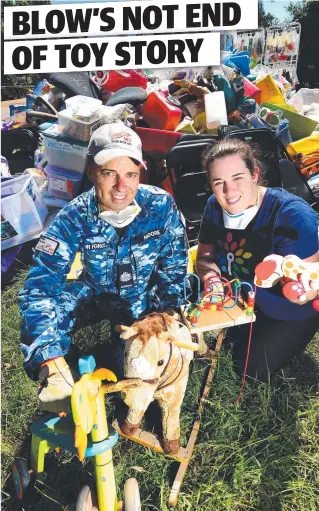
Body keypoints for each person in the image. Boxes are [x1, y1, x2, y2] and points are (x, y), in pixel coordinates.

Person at [19, 122, 188, 413]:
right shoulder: (73, 217)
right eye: (110, 173)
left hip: (143, 300)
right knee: (53, 311)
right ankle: (61, 371)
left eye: (131, 175)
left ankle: (119, 353)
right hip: (96, 292)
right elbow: (39, 289)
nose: (122, 187)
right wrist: (48, 359)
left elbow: (173, 271)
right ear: (91, 172)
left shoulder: (161, 206)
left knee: (139, 366)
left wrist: (166, 317)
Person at [196, 138, 319, 382]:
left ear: (255, 174)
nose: (229, 192)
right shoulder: (213, 206)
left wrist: (300, 290)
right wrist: (211, 279)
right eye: (219, 182)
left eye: (237, 178)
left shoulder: (293, 216)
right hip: (242, 300)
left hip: (289, 311)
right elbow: (204, 258)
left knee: (250, 373)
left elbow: (308, 287)